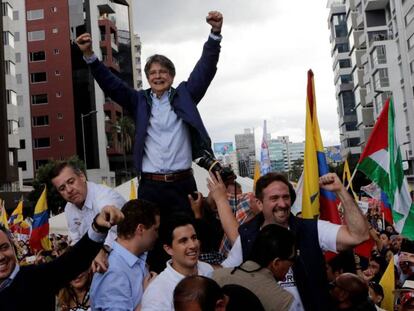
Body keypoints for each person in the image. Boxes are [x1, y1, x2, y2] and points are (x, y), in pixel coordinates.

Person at [75, 11, 223, 219]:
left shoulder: (185, 95)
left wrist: (215, 34)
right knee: (151, 244)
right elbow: (112, 84)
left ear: (171, 76)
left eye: (163, 72)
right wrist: (90, 55)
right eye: (152, 73)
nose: (158, 76)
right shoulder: (139, 101)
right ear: (147, 78)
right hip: (151, 186)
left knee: (189, 238)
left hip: (183, 184)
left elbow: (204, 70)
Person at [222, 172, 369, 311]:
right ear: (259, 203)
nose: (283, 204)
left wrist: (340, 191)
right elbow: (224, 275)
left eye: (286, 197)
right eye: (274, 198)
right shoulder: (247, 237)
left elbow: (359, 235)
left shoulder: (311, 230)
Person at [0, 206, 124, 311]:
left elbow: (74, 260)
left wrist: (98, 226)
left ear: (13, 246)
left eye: (4, 247)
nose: (1, 257)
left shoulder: (37, 277)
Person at [50, 161, 126, 273]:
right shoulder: (69, 209)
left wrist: (101, 249)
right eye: (62, 188)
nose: (69, 190)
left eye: (71, 182)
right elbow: (76, 240)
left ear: (82, 176)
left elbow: (118, 232)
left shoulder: (105, 198)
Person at [90, 199, 160, 311]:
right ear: (140, 229)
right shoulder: (113, 272)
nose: (157, 235)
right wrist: (148, 295)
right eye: (155, 230)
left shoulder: (136, 257)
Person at [213, 224, 296, 311]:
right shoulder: (285, 302)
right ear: (276, 263)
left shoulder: (214, 277)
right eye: (293, 259)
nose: (293, 264)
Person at [141, 215, 214, 311]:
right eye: (183, 241)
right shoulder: (157, 292)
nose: (192, 245)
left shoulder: (207, 270)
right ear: (169, 249)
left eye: (194, 238)